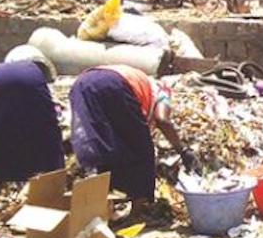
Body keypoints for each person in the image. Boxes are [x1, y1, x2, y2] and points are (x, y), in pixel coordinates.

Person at [69, 64, 195, 215]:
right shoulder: (163, 91)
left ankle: (102, 208)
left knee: (103, 146)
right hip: (115, 84)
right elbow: (162, 120)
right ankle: (139, 211)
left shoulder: (143, 87)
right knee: (142, 150)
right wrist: (182, 150)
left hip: (81, 85)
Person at [0, 47, 64, 184]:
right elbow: (49, 124)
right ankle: (49, 181)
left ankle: (3, 180)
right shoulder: (32, 75)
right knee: (44, 129)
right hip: (30, 81)